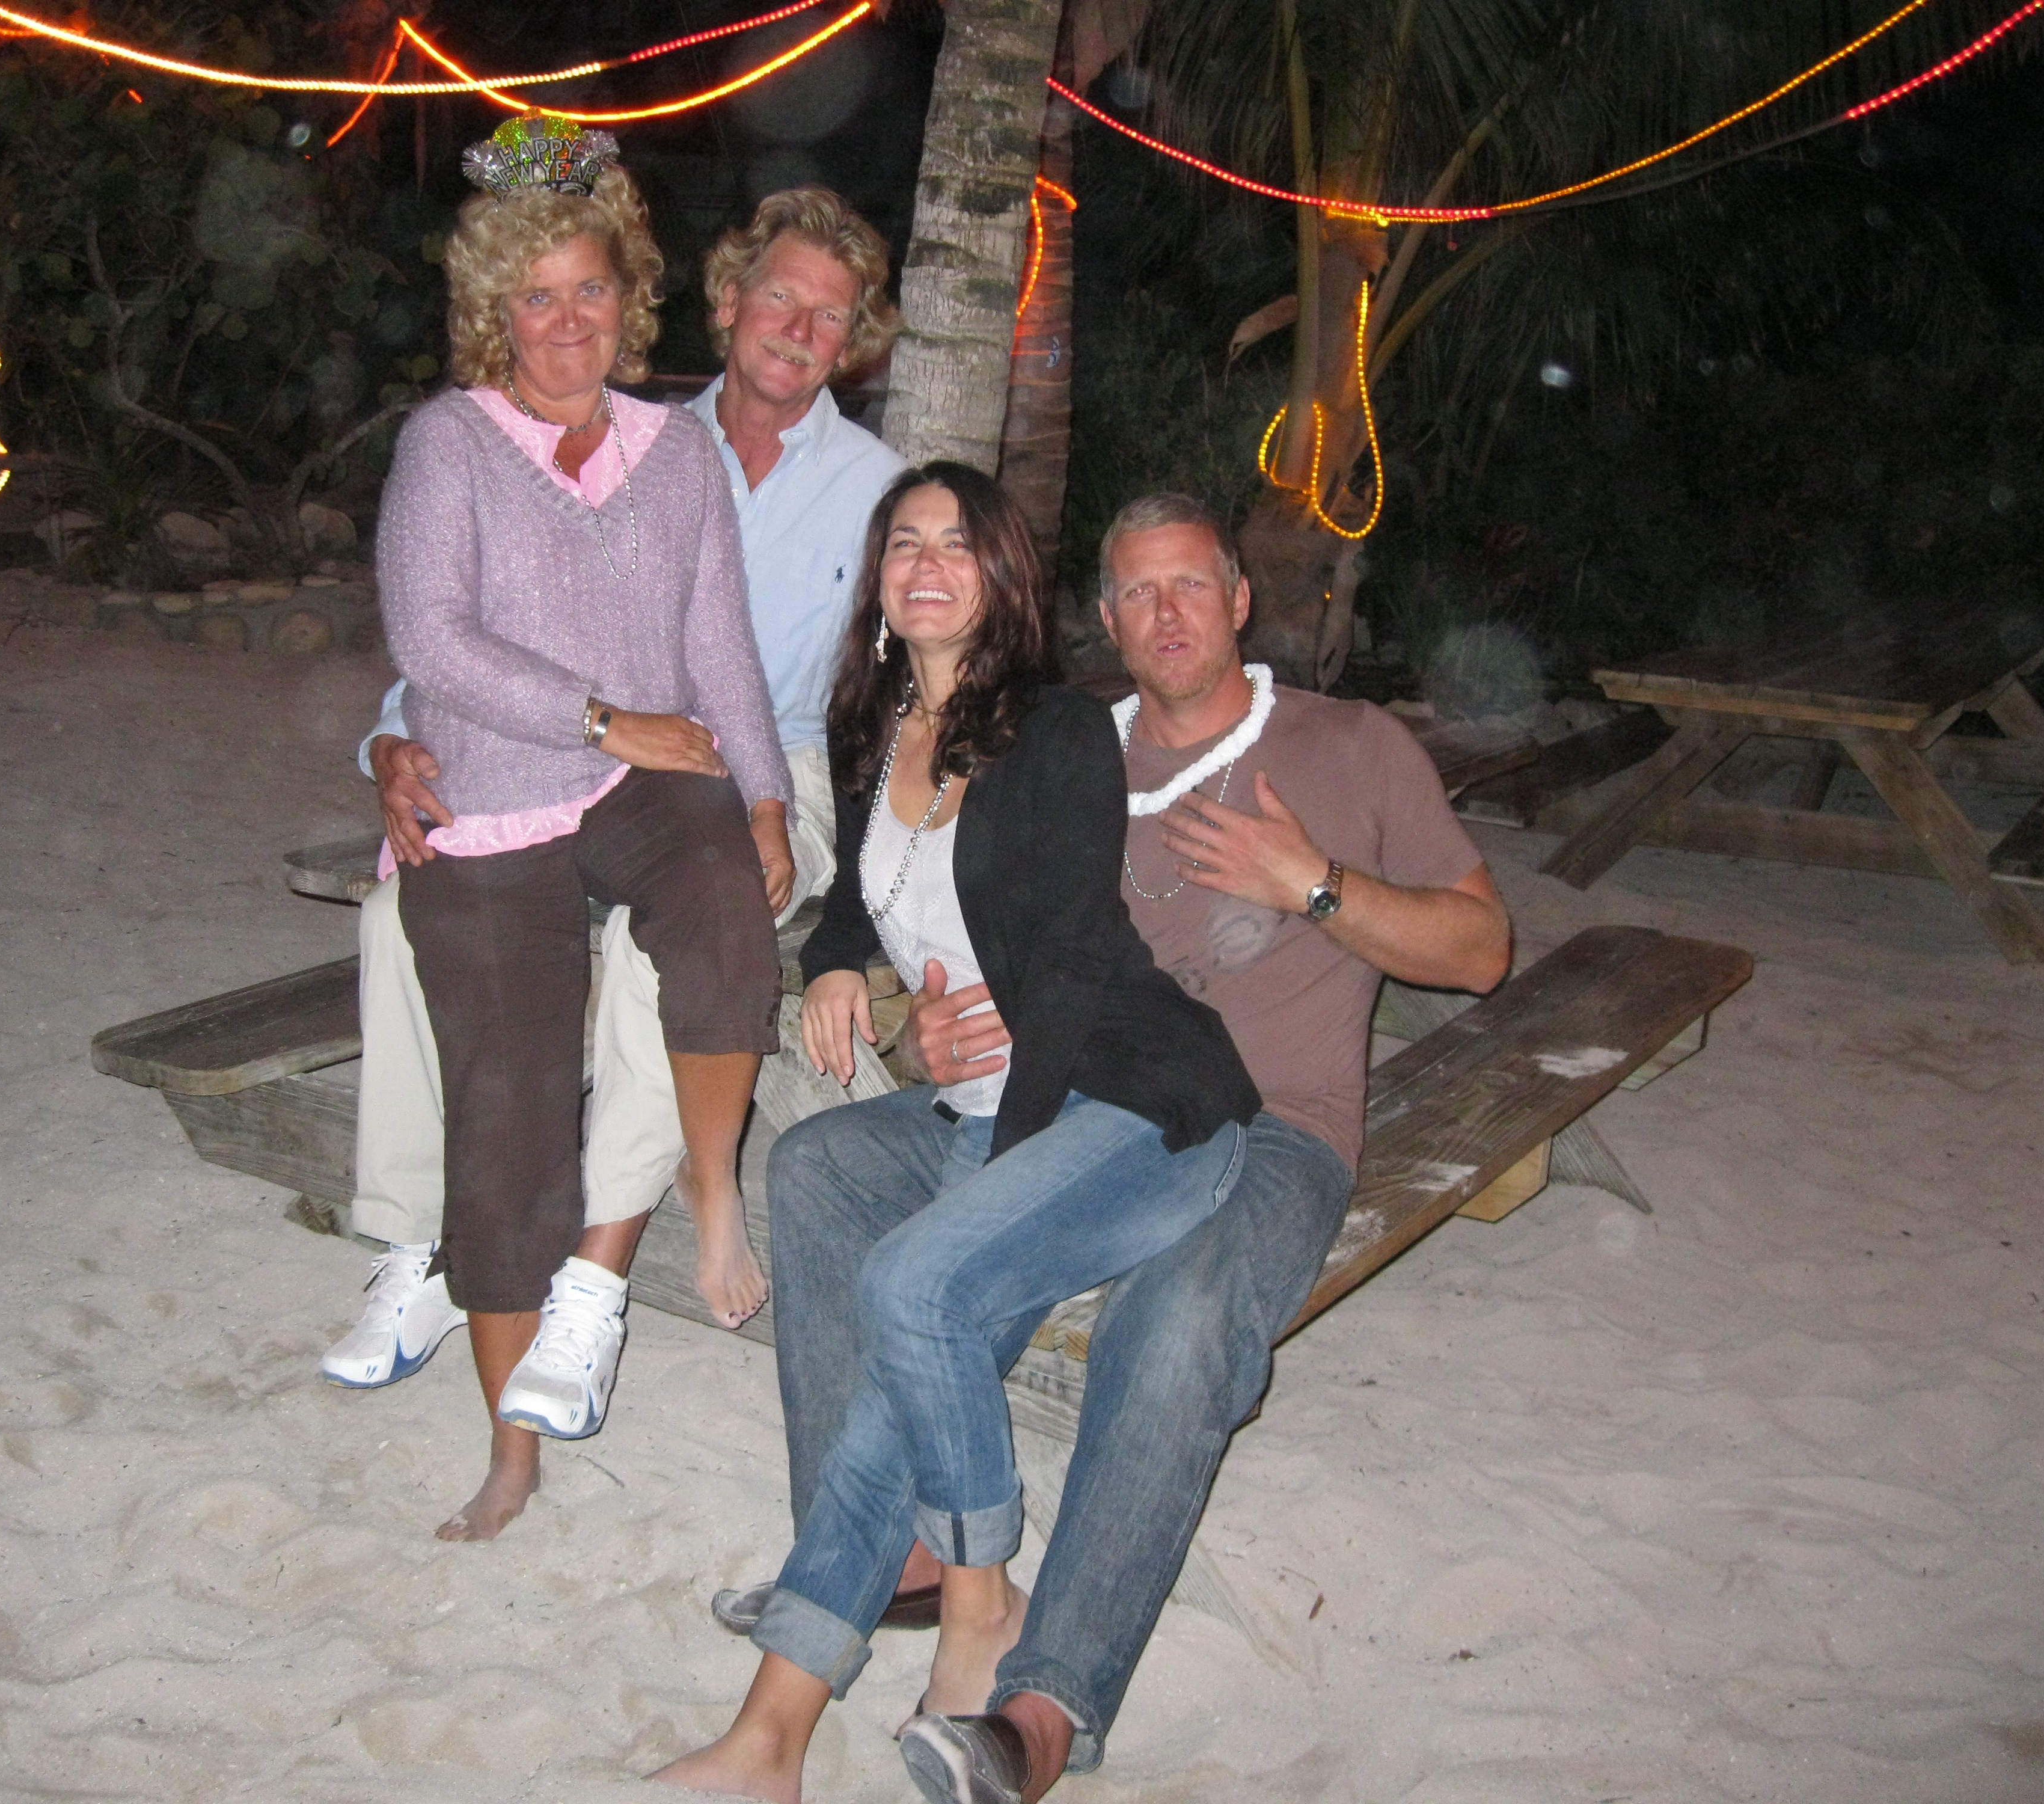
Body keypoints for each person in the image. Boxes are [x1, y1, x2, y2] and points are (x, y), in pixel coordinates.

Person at [745, 492, 1514, 1804]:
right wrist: (920, 1028)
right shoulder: (1055, 743)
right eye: (1137, 593)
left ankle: (1041, 1708)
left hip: (1266, 1124)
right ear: (1103, 616)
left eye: (1190, 585)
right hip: (1057, 1096)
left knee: (1177, 1320)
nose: (1165, 615)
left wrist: (1312, 886)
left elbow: (1482, 950)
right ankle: (883, 1551)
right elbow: (934, 912)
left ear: (1239, 599)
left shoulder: (1348, 744)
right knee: (819, 1171)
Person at [650, 467, 1262, 1804]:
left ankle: (947, 1619)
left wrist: (995, 1172)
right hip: (986, 1098)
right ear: (878, 580)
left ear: (1002, 577)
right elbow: (863, 902)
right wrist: (832, 964)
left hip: (1131, 1100)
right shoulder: (873, 726)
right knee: (814, 1171)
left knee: (919, 1288)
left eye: (956, 546)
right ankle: (857, 1609)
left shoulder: (1058, 733)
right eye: (903, 545)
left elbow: (1075, 965)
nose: (926, 566)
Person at [324, 188, 905, 1434]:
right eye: (780, 297)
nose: (799, 330)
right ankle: (422, 1241)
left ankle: (602, 1264)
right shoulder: (641, 430)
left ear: (855, 342)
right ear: (726, 298)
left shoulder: (880, 493)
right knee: (394, 918)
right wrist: (391, 745)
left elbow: (873, 674)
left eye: (831, 315)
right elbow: (452, 632)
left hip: (769, 762)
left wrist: (772, 804)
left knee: (674, 929)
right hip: (577, 752)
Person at [372, 115, 795, 1542]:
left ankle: (711, 1182)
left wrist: (763, 797)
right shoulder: (447, 445)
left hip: (636, 785)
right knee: (505, 1104)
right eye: (536, 296)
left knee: (723, 890)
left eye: (591, 290)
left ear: (631, 297)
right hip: (490, 795)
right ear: (494, 311)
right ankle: (510, 1449)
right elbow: (430, 637)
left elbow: (719, 647)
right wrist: (606, 720)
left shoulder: (677, 456)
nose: (567, 323)